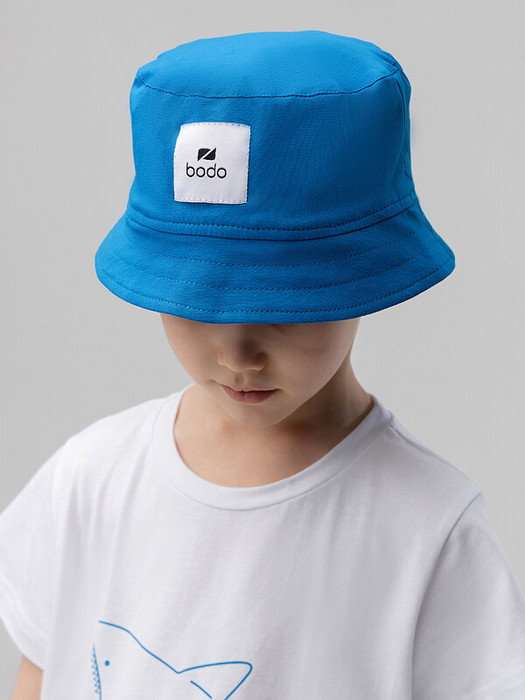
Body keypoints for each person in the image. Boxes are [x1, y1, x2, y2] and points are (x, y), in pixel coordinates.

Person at [1, 30, 524, 699]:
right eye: (194, 303)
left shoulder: (427, 525)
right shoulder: (90, 479)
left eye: (283, 305)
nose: (236, 354)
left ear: (361, 282)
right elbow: (41, 672)